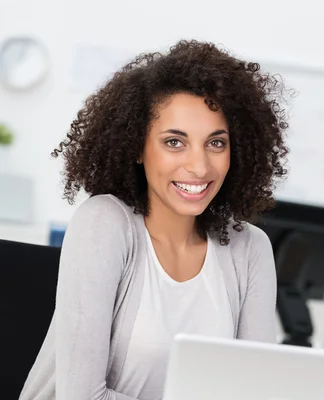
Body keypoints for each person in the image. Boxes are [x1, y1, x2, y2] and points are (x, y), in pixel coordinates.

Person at [19, 39, 289, 400]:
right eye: (174, 142)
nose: (199, 166)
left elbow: (254, 391)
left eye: (216, 143)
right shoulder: (104, 224)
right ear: (136, 147)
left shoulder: (250, 248)